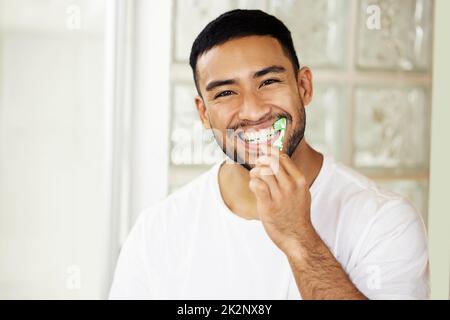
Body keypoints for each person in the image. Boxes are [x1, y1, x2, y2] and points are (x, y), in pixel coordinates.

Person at [109, 9, 429, 300]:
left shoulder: (384, 221)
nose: (253, 110)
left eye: (269, 81)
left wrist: (298, 237)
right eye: (225, 93)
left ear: (303, 86)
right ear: (203, 113)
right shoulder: (157, 232)